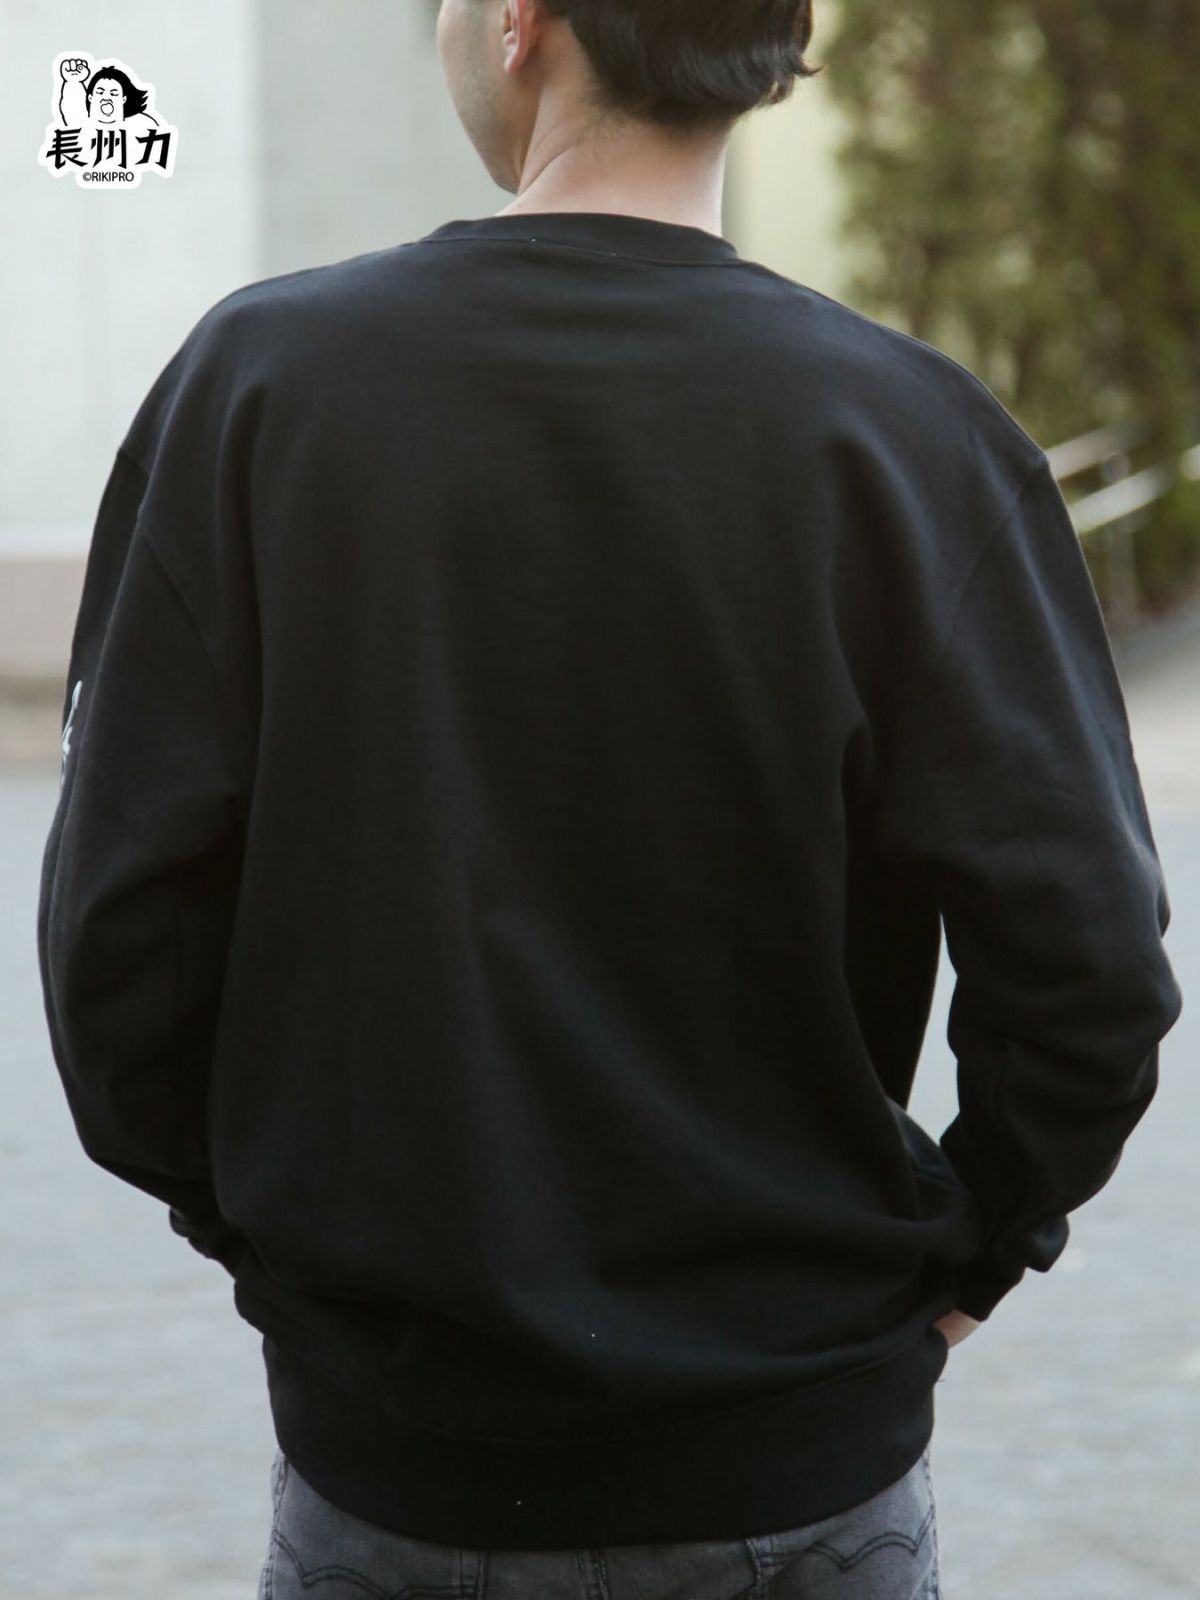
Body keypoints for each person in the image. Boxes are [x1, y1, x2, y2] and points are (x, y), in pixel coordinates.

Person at [36, 2, 1182, 1596]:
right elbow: (1091, 969)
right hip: (802, 1474)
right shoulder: (915, 440)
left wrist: (293, 1259)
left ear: (521, 22)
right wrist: (969, 1253)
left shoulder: (260, 392)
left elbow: (118, 945)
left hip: (396, 1477)